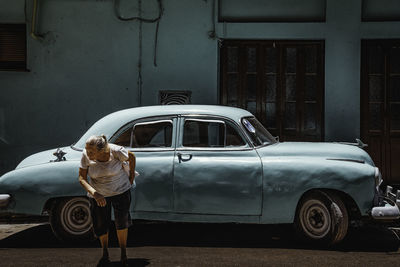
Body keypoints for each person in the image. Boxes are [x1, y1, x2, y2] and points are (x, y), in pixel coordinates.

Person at [78, 135, 136, 267]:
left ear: (102, 151)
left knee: (121, 222)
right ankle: (105, 252)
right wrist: (95, 193)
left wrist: (131, 176)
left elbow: (131, 156)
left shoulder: (116, 151)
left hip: (120, 190)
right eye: (86, 150)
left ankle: (123, 254)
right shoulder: (86, 155)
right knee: (100, 224)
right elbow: (81, 177)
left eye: (91, 151)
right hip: (98, 194)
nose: (87, 153)